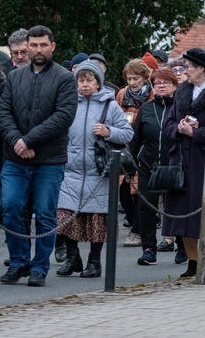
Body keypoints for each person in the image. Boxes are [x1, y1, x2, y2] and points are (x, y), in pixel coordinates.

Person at [0, 25, 77, 286]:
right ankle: (19, 262)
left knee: (44, 214)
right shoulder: (14, 77)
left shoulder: (64, 78)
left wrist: (28, 140)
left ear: (52, 46)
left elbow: (63, 117)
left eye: (43, 45)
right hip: (15, 158)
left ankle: (39, 267)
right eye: (34, 45)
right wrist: (17, 141)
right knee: (10, 208)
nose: (38, 50)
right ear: (27, 47)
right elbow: (3, 113)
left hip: (49, 160)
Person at [56, 61, 133, 278]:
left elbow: (127, 133)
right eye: (81, 80)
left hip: (99, 172)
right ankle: (73, 258)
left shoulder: (110, 105)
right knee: (67, 217)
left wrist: (109, 131)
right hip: (70, 170)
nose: (85, 84)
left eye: (89, 80)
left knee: (97, 219)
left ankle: (94, 261)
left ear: (98, 82)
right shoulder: (69, 103)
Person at [162, 48, 205, 278]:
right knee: (182, 213)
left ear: (201, 68)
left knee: (202, 214)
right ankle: (192, 261)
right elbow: (169, 122)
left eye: (188, 67)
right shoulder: (183, 90)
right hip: (180, 159)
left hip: (204, 160)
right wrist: (179, 129)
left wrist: (196, 133)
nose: (184, 71)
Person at [129, 68, 178, 266]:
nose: (162, 86)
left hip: (175, 167)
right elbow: (135, 140)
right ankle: (149, 249)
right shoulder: (146, 109)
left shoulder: (181, 108)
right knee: (146, 209)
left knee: (176, 209)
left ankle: (182, 246)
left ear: (175, 85)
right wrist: (130, 166)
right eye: (157, 83)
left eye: (166, 82)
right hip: (149, 166)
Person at [116, 59, 154, 247]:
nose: (132, 82)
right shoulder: (122, 95)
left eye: (136, 78)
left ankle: (138, 230)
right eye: (129, 78)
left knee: (139, 191)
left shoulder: (152, 95)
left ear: (145, 78)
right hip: (125, 145)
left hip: (146, 146)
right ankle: (134, 223)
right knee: (123, 189)